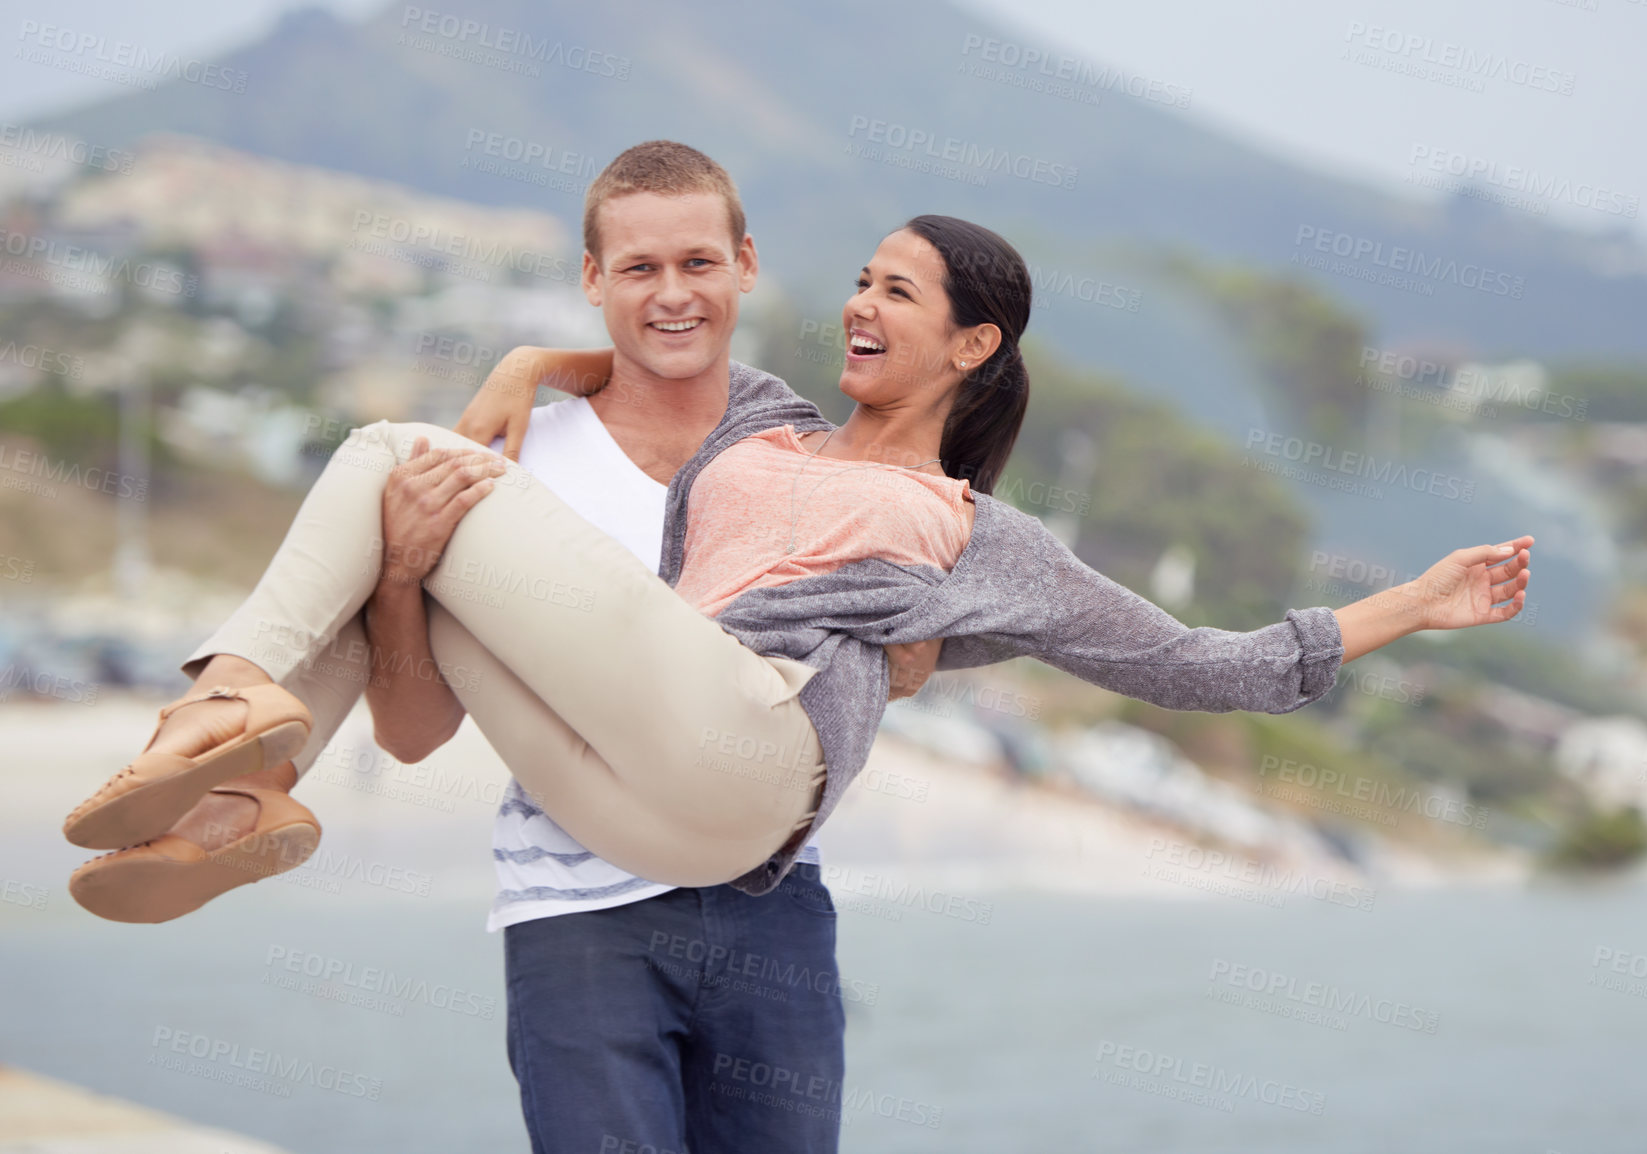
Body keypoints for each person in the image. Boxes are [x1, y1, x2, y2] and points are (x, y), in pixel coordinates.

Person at [63, 131, 1529, 1077]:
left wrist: (1407, 601)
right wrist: (531, 364)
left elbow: (1201, 663)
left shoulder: (977, 530)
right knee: (418, 540)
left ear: (972, 339)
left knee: (392, 453)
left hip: (753, 762)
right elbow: (641, 341)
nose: (860, 306)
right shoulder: (754, 423)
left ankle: (221, 704)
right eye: (856, 280)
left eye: (896, 291)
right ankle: (221, 805)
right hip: (637, 803)